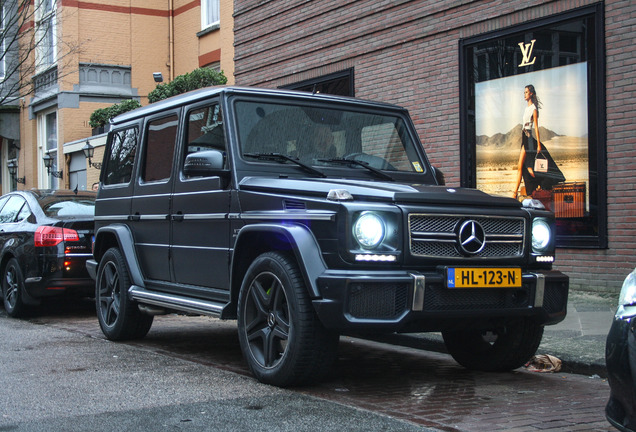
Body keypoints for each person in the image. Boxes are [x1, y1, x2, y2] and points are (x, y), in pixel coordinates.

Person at [512, 84, 543, 199]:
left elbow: (536, 127)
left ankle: (514, 193)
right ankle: (531, 186)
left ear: (531, 94)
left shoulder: (533, 109)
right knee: (523, 167)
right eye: (524, 92)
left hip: (528, 136)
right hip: (523, 134)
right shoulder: (526, 109)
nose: (524, 94)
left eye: (526, 92)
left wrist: (539, 144)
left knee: (522, 165)